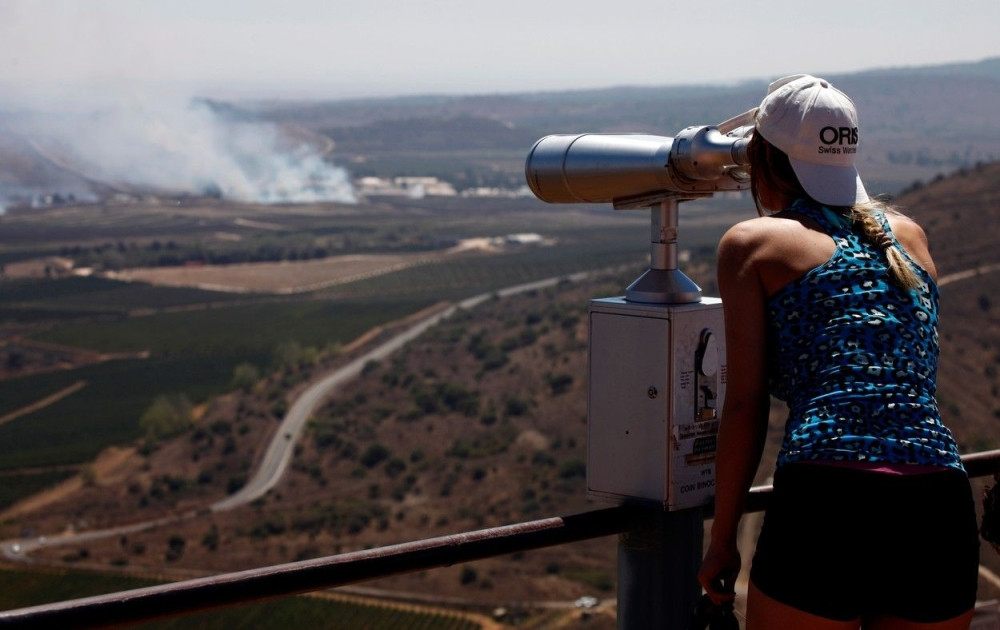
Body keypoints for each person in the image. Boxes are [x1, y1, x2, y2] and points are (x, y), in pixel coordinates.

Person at [697, 75, 981, 629]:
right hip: (938, 502)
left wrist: (722, 537)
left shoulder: (754, 243)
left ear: (762, 157)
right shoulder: (911, 237)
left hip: (828, 498)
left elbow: (745, 405)